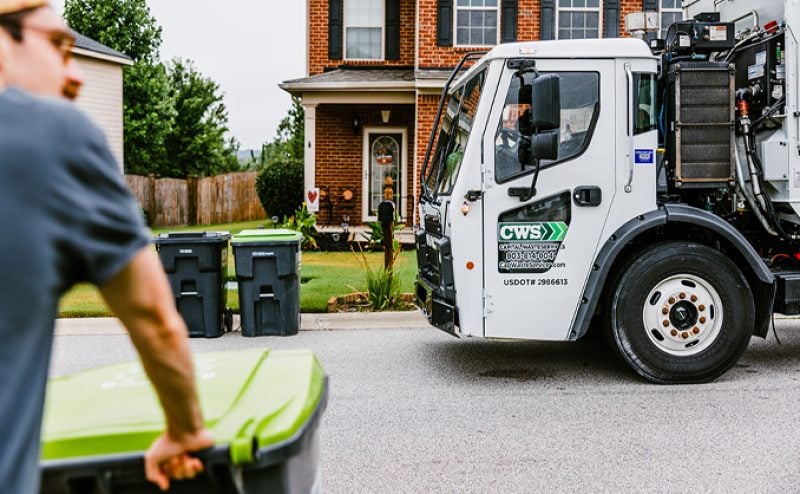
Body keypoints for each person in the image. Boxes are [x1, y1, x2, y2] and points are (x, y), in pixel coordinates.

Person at [0, 1, 214, 492]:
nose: (73, 75)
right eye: (57, 45)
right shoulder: (49, 135)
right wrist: (185, 431)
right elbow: (156, 320)